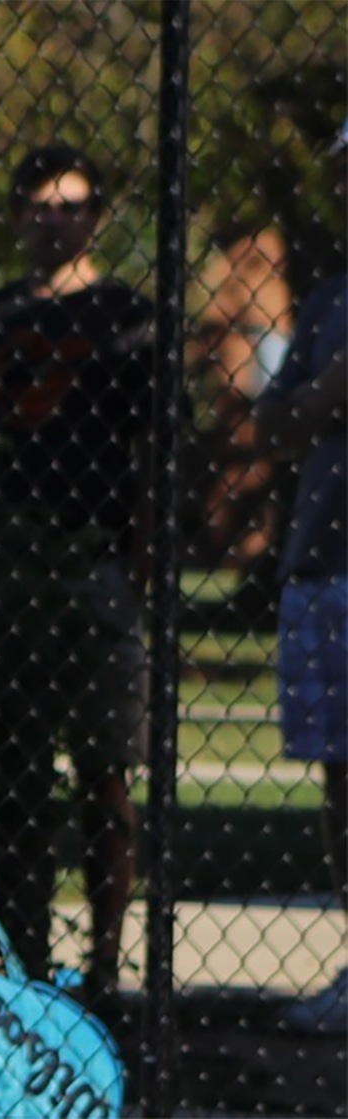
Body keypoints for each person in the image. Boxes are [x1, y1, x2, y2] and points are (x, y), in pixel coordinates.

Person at [0, 145, 157, 1006]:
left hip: (94, 565)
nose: (51, 219)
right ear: (17, 216)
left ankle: (105, 957)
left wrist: (137, 565)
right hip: (8, 569)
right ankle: (16, 949)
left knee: (105, 771)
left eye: (69, 205)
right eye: (37, 205)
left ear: (94, 217)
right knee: (11, 772)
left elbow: (151, 454)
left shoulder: (128, 319)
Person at [254, 122, 347, 1035]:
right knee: (340, 777)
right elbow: (270, 426)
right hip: (325, 560)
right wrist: (330, 394)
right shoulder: (324, 303)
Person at [192, 225, 296, 585]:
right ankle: (235, 549)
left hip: (269, 361)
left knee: (259, 467)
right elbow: (212, 322)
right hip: (247, 369)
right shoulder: (232, 271)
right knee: (239, 466)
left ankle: (253, 549)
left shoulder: (270, 274)